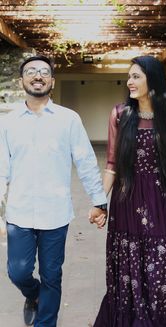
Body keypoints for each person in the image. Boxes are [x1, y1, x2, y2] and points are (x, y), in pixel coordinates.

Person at [91, 55, 166, 327]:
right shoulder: (120, 114)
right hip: (126, 199)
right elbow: (112, 165)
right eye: (129, 76)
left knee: (163, 262)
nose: (129, 81)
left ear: (153, 79)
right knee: (128, 262)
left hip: (163, 201)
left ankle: (161, 318)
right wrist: (98, 202)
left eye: (136, 76)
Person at [0, 55, 107, 327]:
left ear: (52, 81)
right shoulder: (8, 122)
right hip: (19, 213)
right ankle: (33, 294)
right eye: (32, 71)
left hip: (56, 213)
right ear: (22, 80)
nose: (38, 75)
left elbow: (84, 160)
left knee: (52, 275)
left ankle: (45, 323)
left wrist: (99, 201)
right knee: (18, 272)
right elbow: (1, 168)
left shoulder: (68, 119)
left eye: (44, 72)